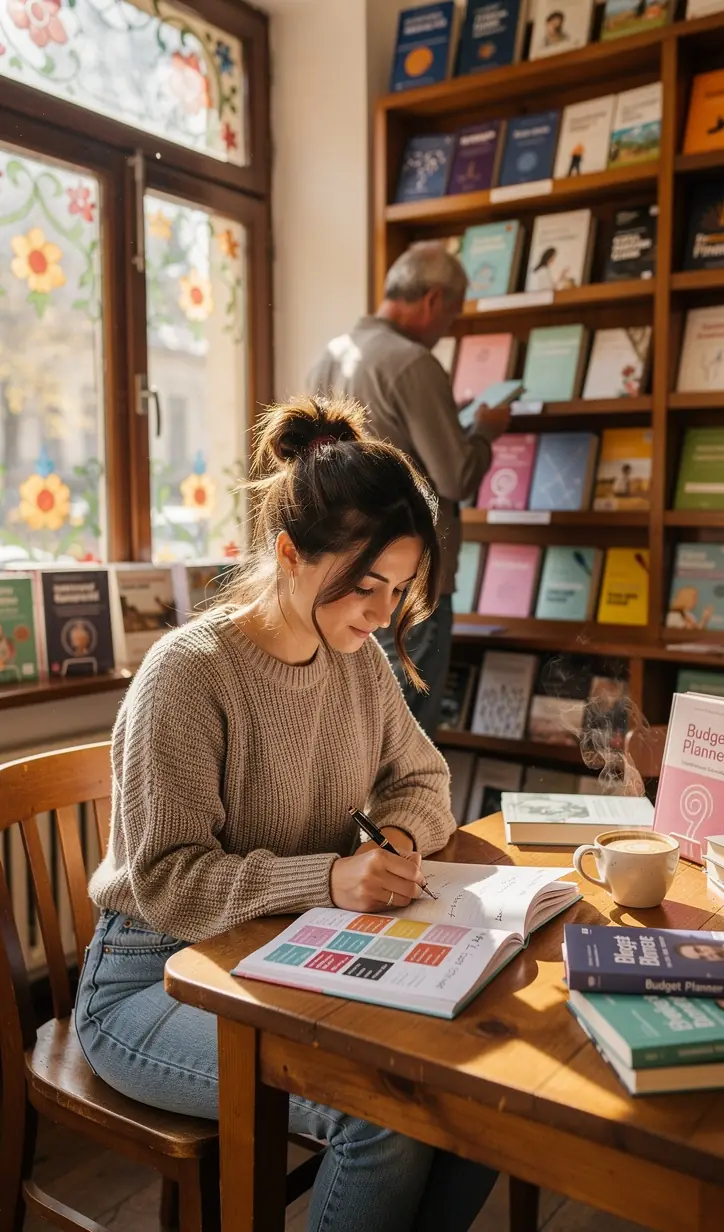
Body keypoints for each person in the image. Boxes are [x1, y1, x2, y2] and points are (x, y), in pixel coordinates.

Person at [74, 395, 496, 1232]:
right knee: (377, 1118)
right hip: (153, 978)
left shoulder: (359, 662)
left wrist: (400, 845)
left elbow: (420, 778)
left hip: (288, 954)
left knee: (480, 1098)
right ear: (289, 553)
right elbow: (165, 880)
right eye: (365, 586)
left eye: (400, 589)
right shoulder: (189, 676)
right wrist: (331, 877)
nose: (381, 613)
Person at [307, 242, 510, 734]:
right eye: (453, 315)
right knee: (407, 735)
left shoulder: (329, 358)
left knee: (353, 730)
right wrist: (485, 430)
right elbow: (455, 475)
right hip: (411, 581)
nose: (449, 329)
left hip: (342, 577)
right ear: (433, 299)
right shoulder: (413, 364)